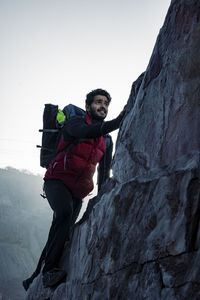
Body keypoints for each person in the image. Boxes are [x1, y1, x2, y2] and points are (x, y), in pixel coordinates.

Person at [23, 88, 126, 290]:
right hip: (56, 182)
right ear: (88, 107)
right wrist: (118, 120)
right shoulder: (75, 124)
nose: (102, 106)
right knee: (63, 214)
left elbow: (103, 172)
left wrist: (103, 196)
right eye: (98, 102)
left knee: (62, 231)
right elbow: (88, 132)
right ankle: (49, 272)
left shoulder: (106, 140)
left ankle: (34, 277)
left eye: (105, 103)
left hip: (77, 192)